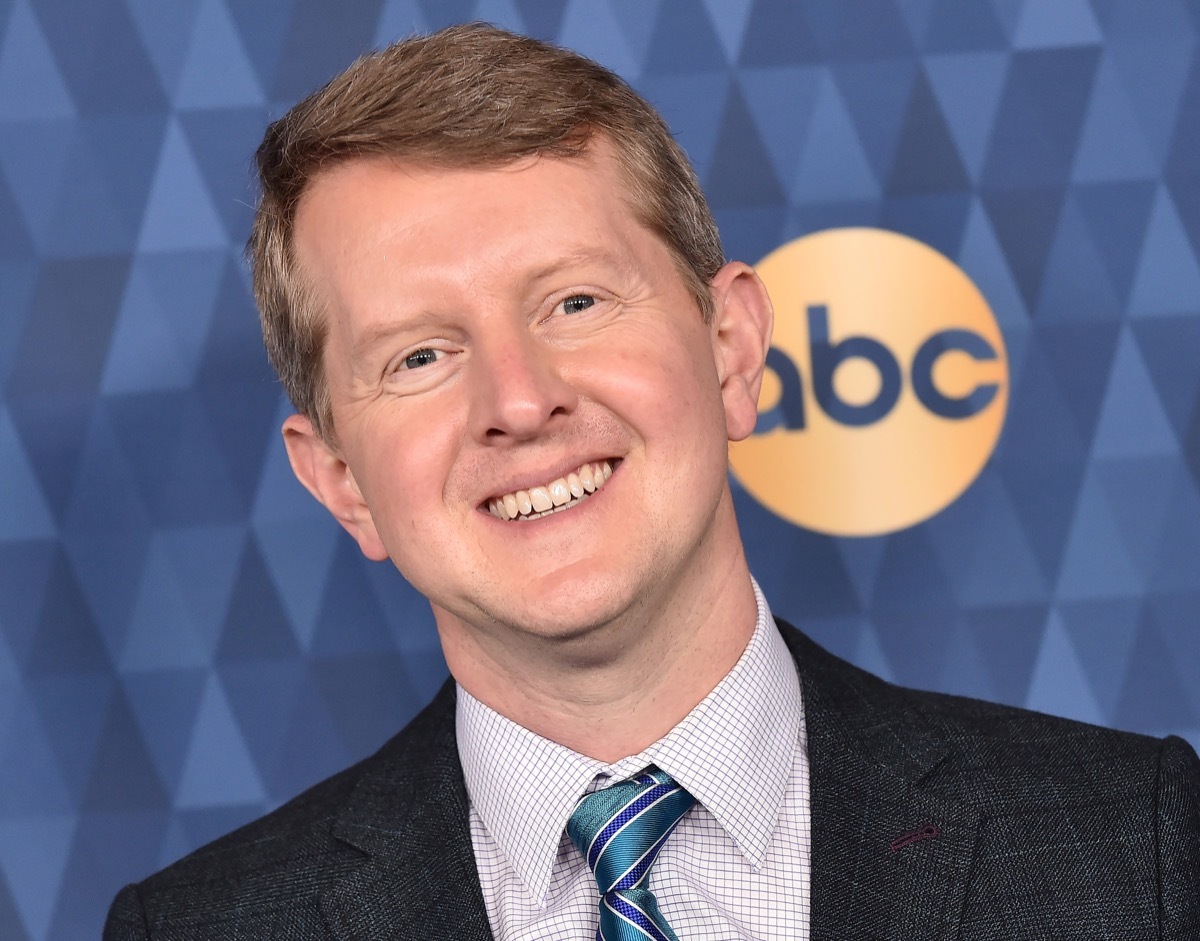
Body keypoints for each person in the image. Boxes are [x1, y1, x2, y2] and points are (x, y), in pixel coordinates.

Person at [105, 23, 1199, 941]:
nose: (521, 399)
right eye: (421, 355)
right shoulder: (204, 926)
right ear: (341, 480)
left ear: (729, 350)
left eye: (574, 301)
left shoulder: (1136, 848)